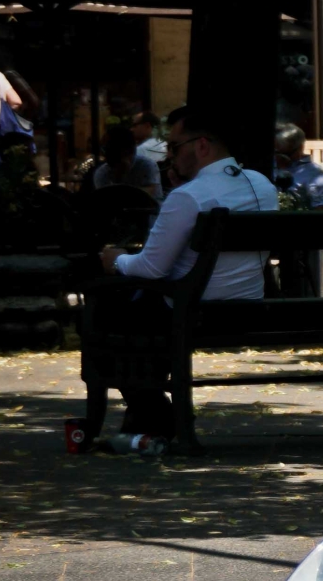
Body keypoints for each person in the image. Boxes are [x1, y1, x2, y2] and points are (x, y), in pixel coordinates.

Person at [88, 105, 281, 434]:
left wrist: (116, 259)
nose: (169, 156)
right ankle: (150, 412)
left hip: (190, 311)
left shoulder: (189, 197)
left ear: (201, 146)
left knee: (107, 312)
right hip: (249, 308)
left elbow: (150, 267)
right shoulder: (261, 185)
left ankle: (154, 411)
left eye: (175, 147)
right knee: (138, 317)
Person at [274, 123, 323, 207]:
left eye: (284, 154)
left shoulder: (315, 175)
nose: (278, 158)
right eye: (275, 152)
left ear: (300, 148)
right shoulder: (265, 168)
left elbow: (322, 212)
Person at [128, 111, 166, 201]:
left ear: (147, 126)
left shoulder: (140, 150)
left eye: (135, 125)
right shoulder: (166, 144)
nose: (131, 129)